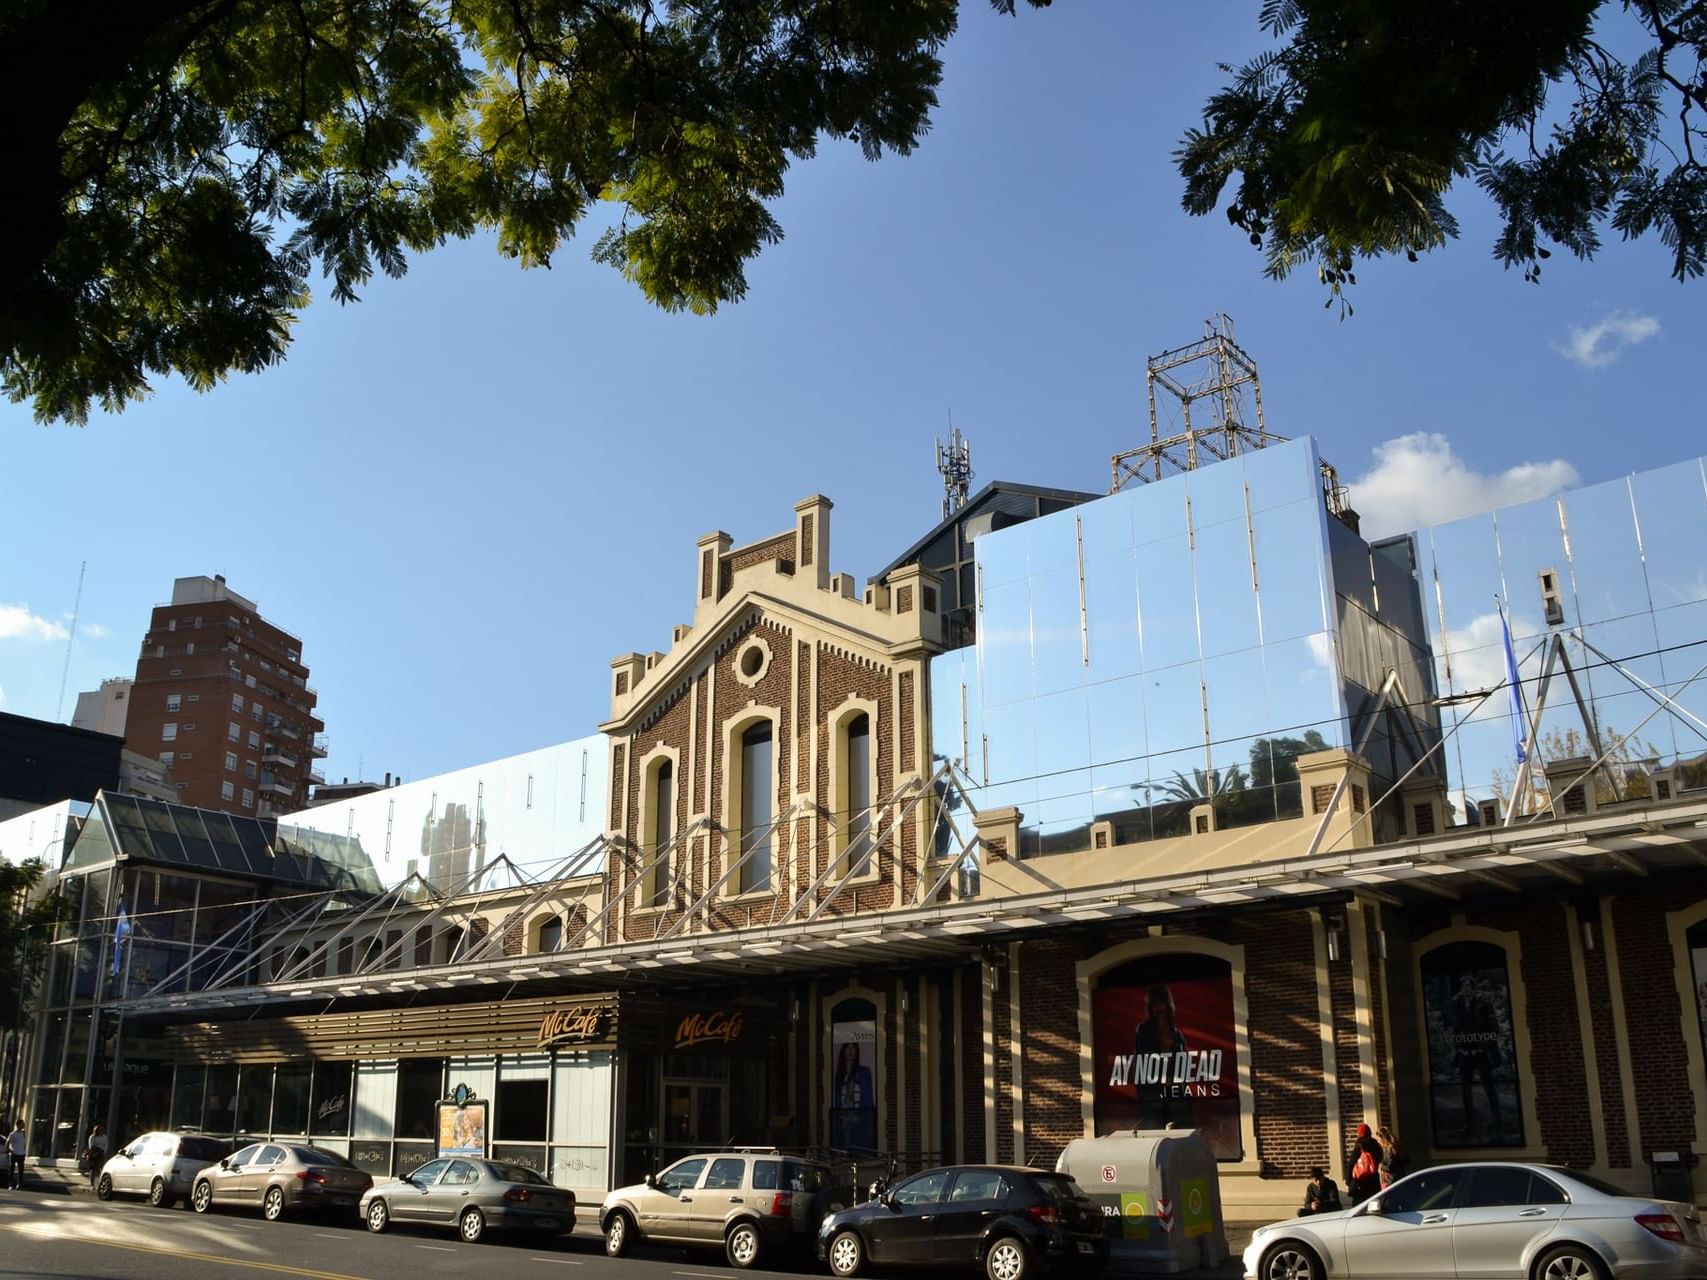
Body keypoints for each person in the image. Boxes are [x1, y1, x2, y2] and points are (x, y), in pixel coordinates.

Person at [1133, 983, 1194, 1130]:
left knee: (1182, 1130)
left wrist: (1179, 1085)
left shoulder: (1177, 1035)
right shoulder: (1143, 1030)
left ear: (1168, 1005)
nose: (1159, 1007)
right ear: (1150, 1007)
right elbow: (1139, 1062)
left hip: (1175, 1093)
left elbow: (1184, 1066)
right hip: (1153, 1093)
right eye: (1155, 1004)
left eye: (1162, 1003)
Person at [1451, 974, 1503, 1138]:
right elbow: (1456, 1026)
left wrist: (1484, 1044)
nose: (1466, 988)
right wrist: (1458, 1045)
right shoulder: (1458, 1004)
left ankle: (1498, 1121)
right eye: (1464, 986)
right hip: (1465, 1052)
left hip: (1481, 1051)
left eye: (1469, 985)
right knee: (1465, 1089)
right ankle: (1469, 1125)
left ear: (1472, 987)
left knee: (1489, 1086)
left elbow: (1493, 1026)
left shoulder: (1483, 1003)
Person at [1345, 1122, 1383, 1204]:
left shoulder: (1360, 1145)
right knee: (1374, 1206)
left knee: (1359, 1208)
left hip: (1360, 1183)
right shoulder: (1375, 1144)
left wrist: (1349, 1181)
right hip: (1374, 1181)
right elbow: (1380, 1158)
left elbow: (1351, 1163)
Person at [83, 1123, 109, 1187]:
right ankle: (92, 1183)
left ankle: (101, 1182)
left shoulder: (104, 1137)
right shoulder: (92, 1137)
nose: (100, 1131)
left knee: (101, 1168)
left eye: (101, 1130)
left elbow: (106, 1145)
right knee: (93, 1169)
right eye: (99, 1130)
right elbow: (91, 1146)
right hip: (94, 1153)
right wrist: (93, 1154)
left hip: (101, 1153)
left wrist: (104, 1153)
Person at [6, 1122, 25, 1190]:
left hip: (21, 1154)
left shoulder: (23, 1133)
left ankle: (19, 1184)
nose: (23, 1125)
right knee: (12, 1170)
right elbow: (7, 1143)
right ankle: (10, 1184)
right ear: (18, 1125)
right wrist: (10, 1151)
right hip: (14, 1154)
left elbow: (23, 1143)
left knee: (21, 1170)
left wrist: (24, 1151)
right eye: (22, 1124)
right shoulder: (12, 1133)